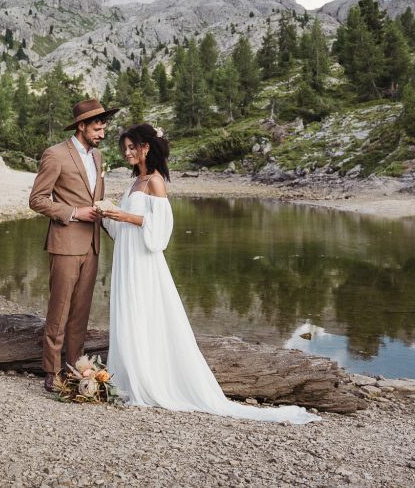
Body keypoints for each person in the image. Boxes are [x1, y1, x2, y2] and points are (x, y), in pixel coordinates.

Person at [100, 124, 319, 424]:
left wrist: (123, 214)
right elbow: (125, 226)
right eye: (123, 148)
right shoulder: (135, 181)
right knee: (128, 311)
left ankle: (148, 380)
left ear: (146, 148)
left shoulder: (155, 182)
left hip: (144, 261)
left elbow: (160, 231)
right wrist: (108, 214)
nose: (126, 153)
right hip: (127, 256)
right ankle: (127, 377)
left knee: (144, 312)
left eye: (131, 147)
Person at [29, 99, 119, 393]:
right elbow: (37, 200)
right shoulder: (55, 155)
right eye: (97, 127)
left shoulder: (98, 157)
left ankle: (74, 367)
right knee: (60, 308)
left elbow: (95, 199)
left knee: (81, 311)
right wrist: (73, 212)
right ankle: (50, 370)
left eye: (103, 128)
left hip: (92, 245)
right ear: (81, 126)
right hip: (65, 242)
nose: (102, 133)